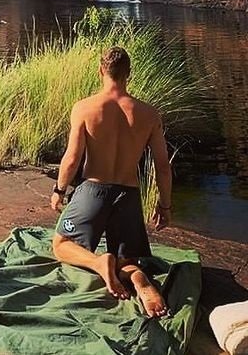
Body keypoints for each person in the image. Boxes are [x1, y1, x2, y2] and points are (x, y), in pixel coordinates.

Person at [50, 46, 172, 318]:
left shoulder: (84, 107)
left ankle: (97, 262)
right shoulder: (149, 114)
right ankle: (137, 277)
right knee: (126, 260)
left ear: (100, 71)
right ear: (128, 74)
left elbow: (72, 158)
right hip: (127, 194)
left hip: (93, 189)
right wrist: (165, 207)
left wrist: (59, 190)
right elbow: (163, 167)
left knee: (61, 244)